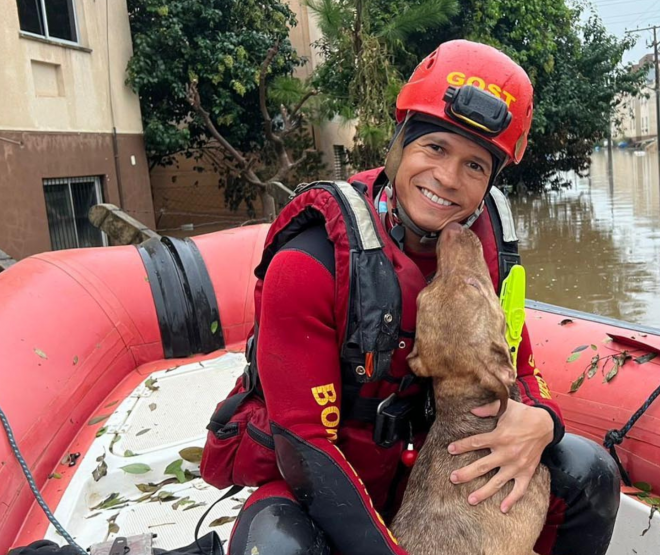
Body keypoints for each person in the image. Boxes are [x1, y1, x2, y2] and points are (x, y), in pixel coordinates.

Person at [227, 40, 621, 555]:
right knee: (277, 547)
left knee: (591, 474)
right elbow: (306, 448)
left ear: (490, 181)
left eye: (475, 166)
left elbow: (518, 367)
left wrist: (544, 423)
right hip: (327, 488)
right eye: (434, 148)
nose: (448, 179)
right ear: (398, 145)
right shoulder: (308, 264)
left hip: (432, 479)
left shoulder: (484, 255)